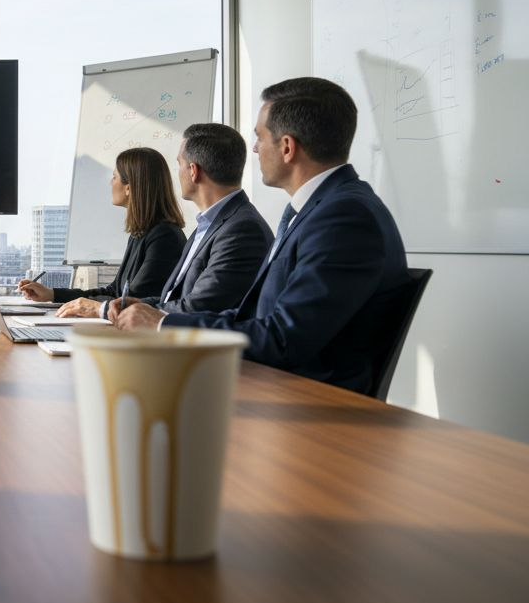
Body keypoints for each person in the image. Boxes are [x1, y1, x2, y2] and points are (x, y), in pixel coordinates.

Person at [112, 77, 410, 394]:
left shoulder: (344, 217)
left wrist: (162, 324)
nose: (254, 148)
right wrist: (157, 316)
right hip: (275, 387)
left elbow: (283, 339)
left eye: (260, 137)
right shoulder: (321, 209)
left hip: (304, 403)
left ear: (287, 147)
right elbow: (253, 316)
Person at [18, 147, 186, 318]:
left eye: (114, 177)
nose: (110, 183)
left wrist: (92, 308)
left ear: (129, 188)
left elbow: (130, 301)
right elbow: (114, 292)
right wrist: (52, 294)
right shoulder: (141, 233)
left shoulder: (164, 237)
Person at [133, 123, 272, 314]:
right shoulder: (211, 224)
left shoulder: (242, 230)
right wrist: (130, 306)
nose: (178, 173)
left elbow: (200, 306)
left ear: (193, 171)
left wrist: (133, 314)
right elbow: (175, 297)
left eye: (179, 164)